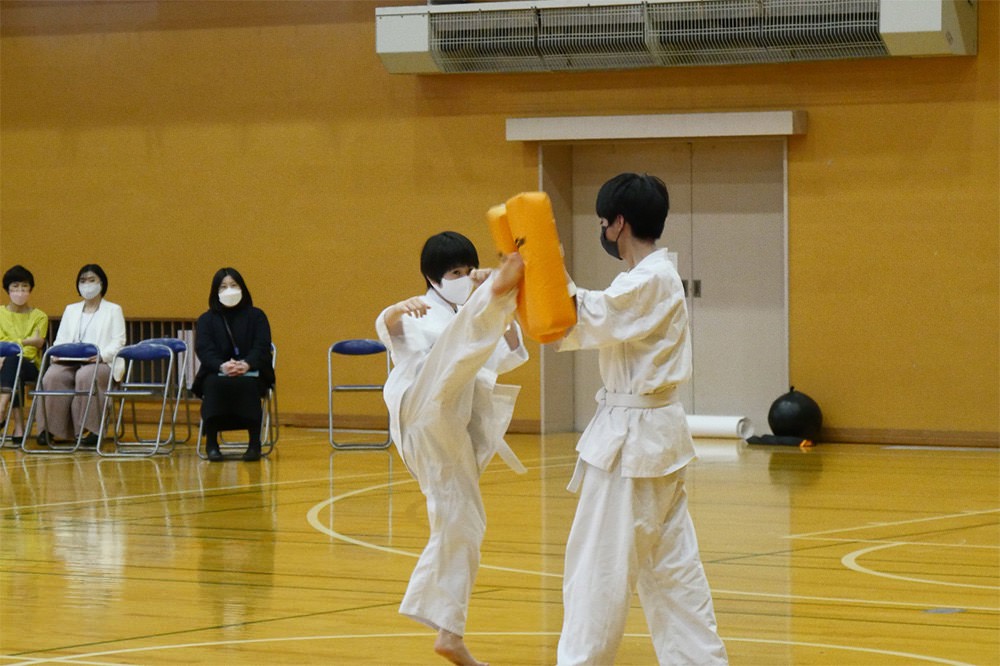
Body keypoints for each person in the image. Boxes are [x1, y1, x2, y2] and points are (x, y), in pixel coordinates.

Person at [555, 173, 728, 665]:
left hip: (632, 448)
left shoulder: (651, 279)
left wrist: (543, 269)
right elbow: (590, 314)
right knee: (673, 577)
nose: (603, 229)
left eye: (603, 221)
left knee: (597, 574)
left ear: (618, 224)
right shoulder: (648, 279)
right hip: (653, 442)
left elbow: (581, 314)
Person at [375, 231, 527, 666]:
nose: (461, 278)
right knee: (458, 344)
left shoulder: (463, 314)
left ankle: (447, 631)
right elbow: (390, 329)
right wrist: (394, 311)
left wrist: (495, 303)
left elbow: (511, 348)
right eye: (454, 273)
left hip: (447, 419)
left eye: (466, 271)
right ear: (431, 277)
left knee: (463, 521)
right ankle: (448, 632)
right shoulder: (420, 312)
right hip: (423, 404)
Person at [35, 264, 126, 448]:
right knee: (53, 376)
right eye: (83, 281)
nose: (87, 285)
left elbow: (119, 342)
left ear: (102, 283)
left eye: (92, 280)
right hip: (71, 360)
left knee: (85, 375)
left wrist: (101, 355)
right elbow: (60, 340)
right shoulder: (71, 309)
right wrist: (58, 354)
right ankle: (49, 429)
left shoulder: (113, 310)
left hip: (101, 362)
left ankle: (91, 429)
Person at [192, 267, 274, 463]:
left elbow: (262, 346)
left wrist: (246, 364)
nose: (229, 290)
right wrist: (222, 366)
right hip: (217, 371)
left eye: (233, 285)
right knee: (213, 384)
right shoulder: (206, 320)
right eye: (223, 286)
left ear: (242, 288)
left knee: (247, 385)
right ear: (215, 291)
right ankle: (212, 443)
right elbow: (204, 349)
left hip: (252, 370)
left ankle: (254, 443)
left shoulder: (257, 316)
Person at [0, 265, 48, 443]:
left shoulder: (39, 316)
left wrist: (8, 348)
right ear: (7, 290)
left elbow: (32, 349)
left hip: (29, 364)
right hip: (5, 364)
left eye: (24, 286)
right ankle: (19, 427)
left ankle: (1, 408)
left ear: (30, 289)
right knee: (13, 369)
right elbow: (30, 343)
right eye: (15, 286)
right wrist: (25, 340)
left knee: (15, 361)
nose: (20, 291)